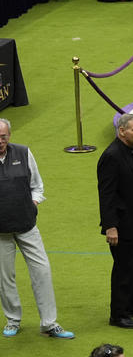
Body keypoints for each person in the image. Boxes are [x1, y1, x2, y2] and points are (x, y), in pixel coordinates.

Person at [0, 119, 73, 340]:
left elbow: (37, 185)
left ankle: (49, 323)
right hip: (0, 232)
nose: (0, 141)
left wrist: (33, 203)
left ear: (9, 136)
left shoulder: (23, 153)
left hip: (27, 225)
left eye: (3, 136)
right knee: (5, 277)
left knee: (42, 271)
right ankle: (13, 319)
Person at [98, 114, 133, 330]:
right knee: (125, 268)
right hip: (123, 224)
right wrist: (110, 226)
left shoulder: (131, 150)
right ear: (122, 131)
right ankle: (119, 313)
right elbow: (107, 195)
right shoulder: (111, 156)